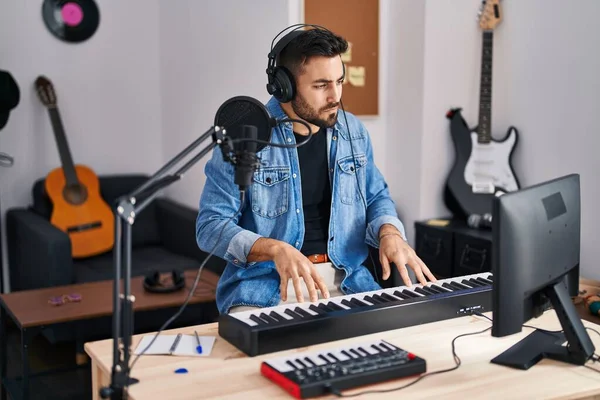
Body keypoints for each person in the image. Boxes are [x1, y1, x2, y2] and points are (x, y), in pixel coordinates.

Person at [196, 25, 436, 315]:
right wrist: (274, 249)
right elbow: (210, 226)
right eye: (321, 85)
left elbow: (376, 198)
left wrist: (389, 233)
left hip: (349, 285)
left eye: (339, 81)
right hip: (267, 290)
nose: (335, 95)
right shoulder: (244, 137)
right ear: (283, 86)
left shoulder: (354, 132)